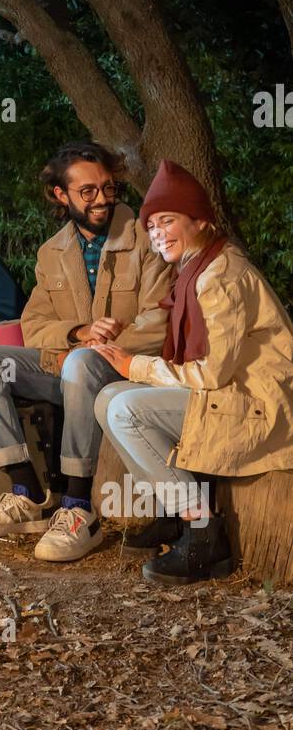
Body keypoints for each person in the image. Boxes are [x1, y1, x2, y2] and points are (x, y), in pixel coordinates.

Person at [0, 142, 172, 560]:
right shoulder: (51, 252)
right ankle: (29, 494)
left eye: (108, 189)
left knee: (80, 361)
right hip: (68, 369)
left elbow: (160, 320)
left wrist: (101, 346)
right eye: (87, 191)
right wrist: (77, 331)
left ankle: (79, 508)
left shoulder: (145, 239)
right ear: (61, 195)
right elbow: (33, 326)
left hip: (128, 370)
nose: (101, 200)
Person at [92, 160, 293, 586]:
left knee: (127, 408)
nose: (157, 232)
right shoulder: (196, 267)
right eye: (151, 225)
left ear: (201, 221)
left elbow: (214, 374)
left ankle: (204, 532)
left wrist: (138, 366)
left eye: (168, 220)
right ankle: (171, 512)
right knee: (108, 398)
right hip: (233, 394)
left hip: (261, 406)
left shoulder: (220, 275)